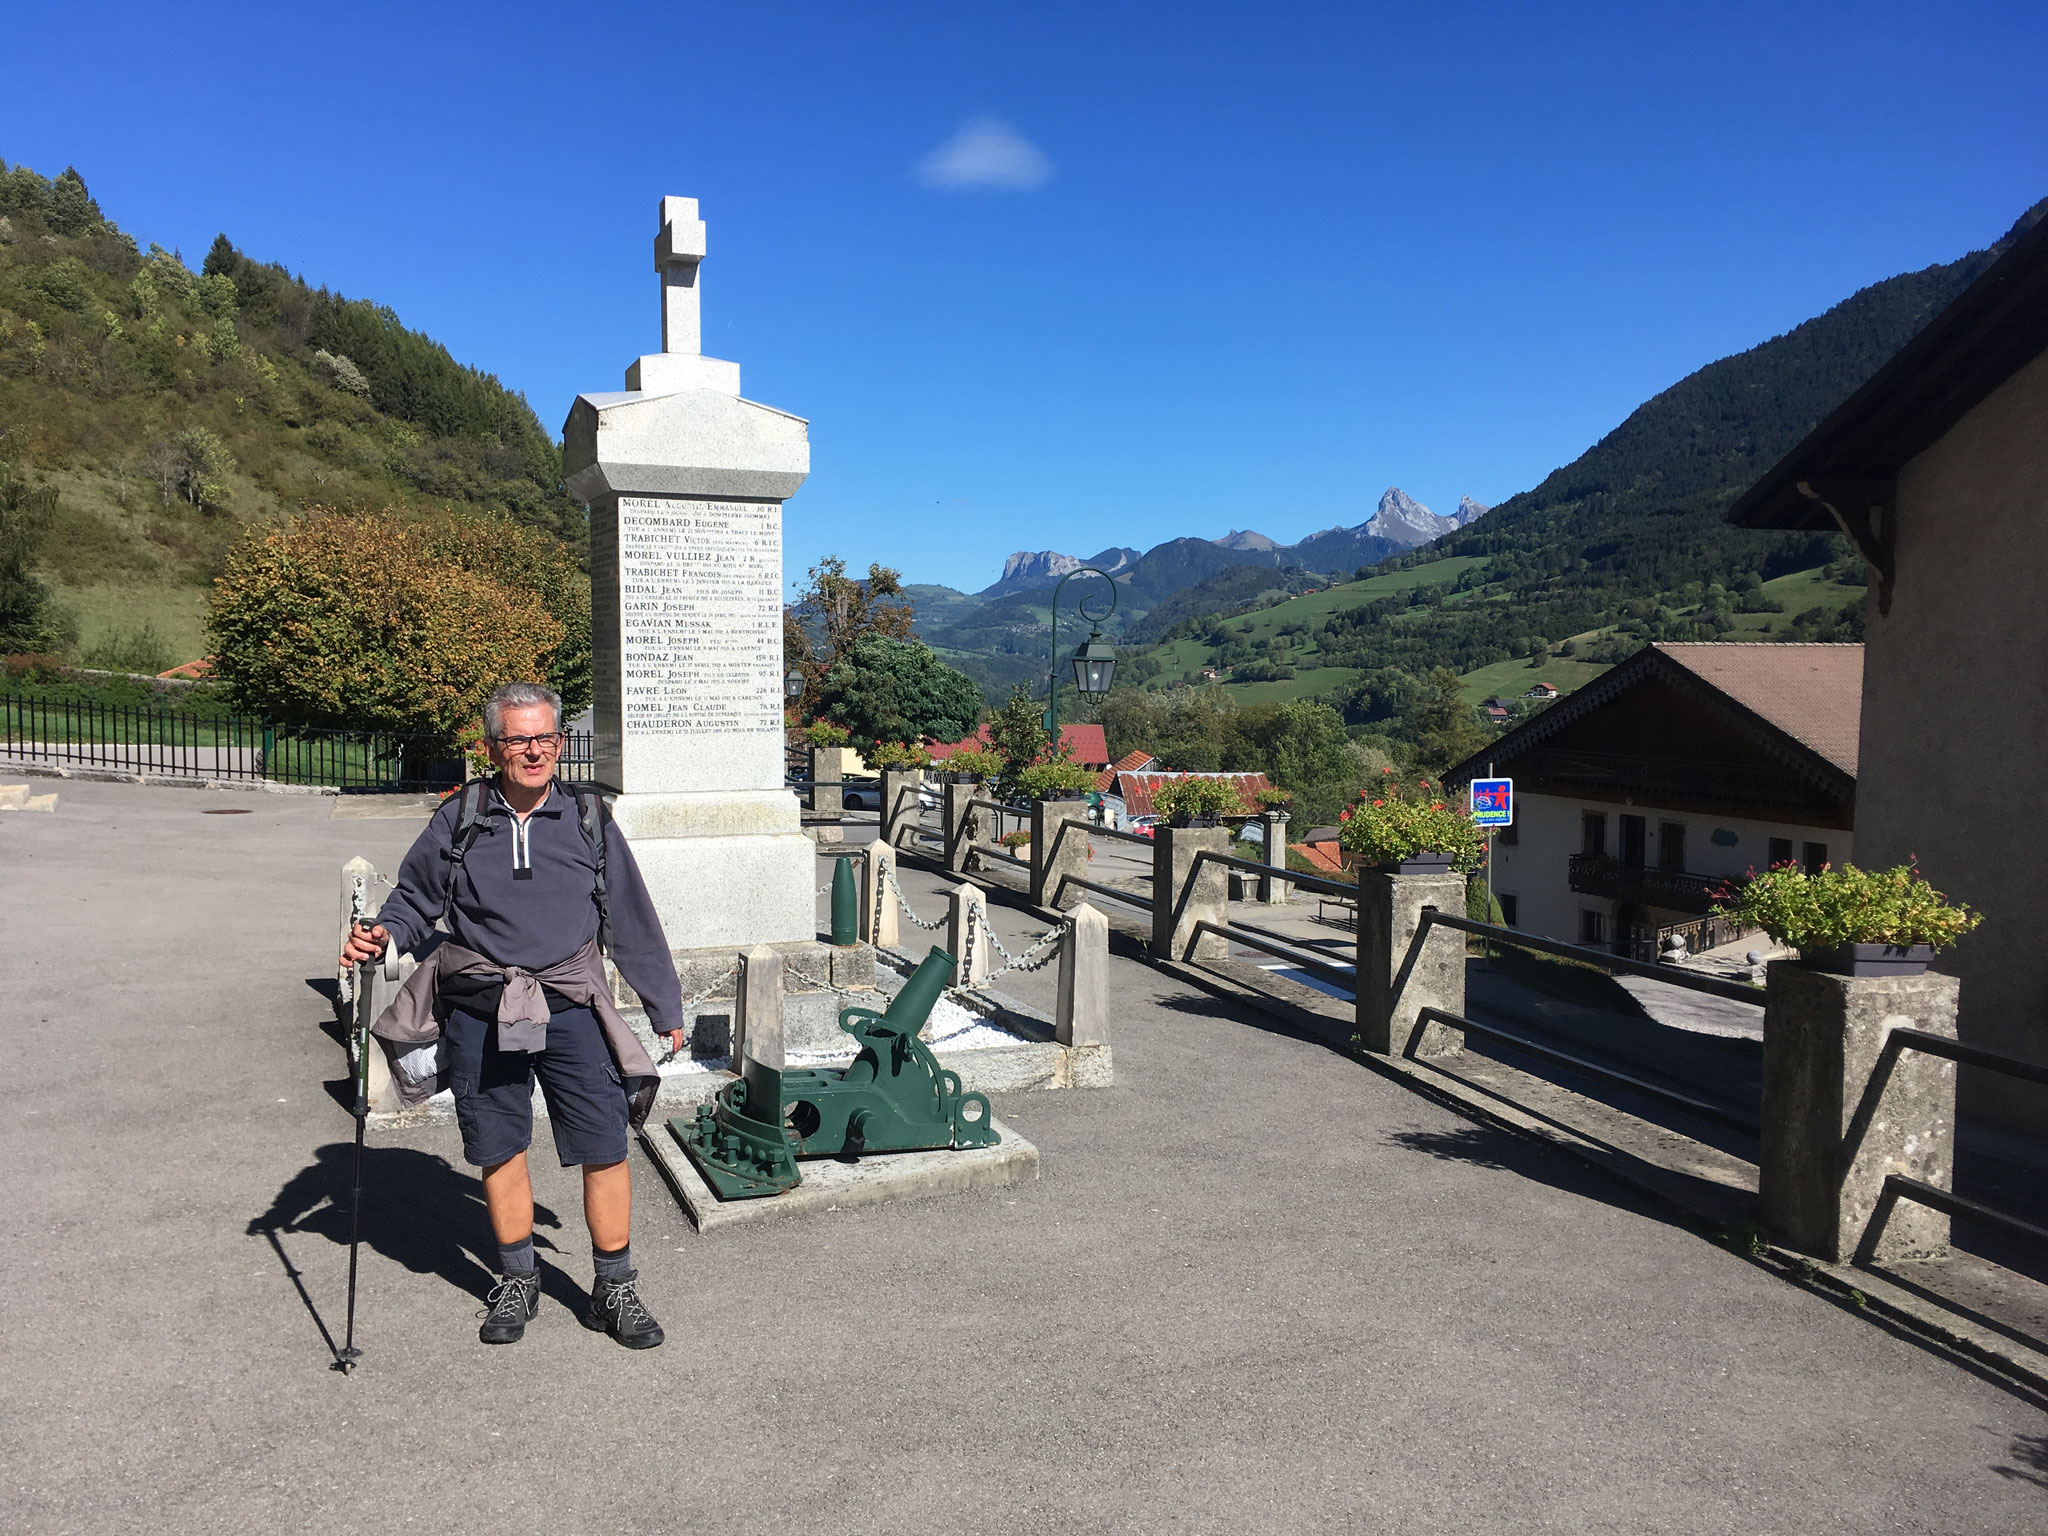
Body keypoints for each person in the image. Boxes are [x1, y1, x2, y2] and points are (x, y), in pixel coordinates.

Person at [339, 681, 689, 1348]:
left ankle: (614, 1289)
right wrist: (384, 935)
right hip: (480, 1007)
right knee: (499, 1145)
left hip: (572, 1008)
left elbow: (631, 918)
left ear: (560, 742)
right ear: (493, 745)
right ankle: (518, 1279)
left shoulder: (589, 817)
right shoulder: (460, 816)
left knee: (606, 1145)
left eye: (545, 738)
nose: (533, 751)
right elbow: (414, 899)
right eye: (517, 738)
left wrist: (662, 1003)